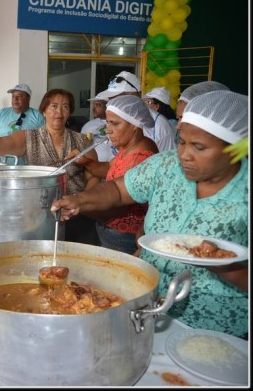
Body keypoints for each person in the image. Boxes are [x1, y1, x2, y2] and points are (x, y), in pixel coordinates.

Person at [51, 90, 248, 338]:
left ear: (237, 149)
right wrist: (80, 200)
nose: (184, 154)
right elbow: (118, 189)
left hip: (216, 326)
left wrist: (222, 263)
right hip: (149, 305)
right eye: (181, 141)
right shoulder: (166, 165)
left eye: (198, 147)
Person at [0, 88, 100, 245]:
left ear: (70, 112)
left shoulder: (82, 141)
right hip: (40, 215)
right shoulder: (29, 137)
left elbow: (94, 176)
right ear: (43, 110)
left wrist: (80, 200)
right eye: (54, 106)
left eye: (65, 106)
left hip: (78, 214)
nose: (59, 111)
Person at [90, 95, 158, 254]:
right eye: (108, 123)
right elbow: (110, 168)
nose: (108, 130)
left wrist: (80, 206)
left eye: (115, 124)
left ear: (135, 125)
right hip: (112, 231)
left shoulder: (140, 157)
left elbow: (117, 205)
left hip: (123, 237)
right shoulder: (128, 147)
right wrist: (86, 163)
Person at [0, 83, 45, 164]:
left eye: (19, 96)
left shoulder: (37, 116)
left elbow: (45, 143)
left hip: (28, 170)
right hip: (4, 168)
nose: (15, 99)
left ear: (28, 98)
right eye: (13, 96)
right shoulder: (1, 114)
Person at [80, 91, 115, 163]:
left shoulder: (117, 123)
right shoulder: (89, 126)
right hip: (93, 166)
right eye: (94, 105)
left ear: (108, 106)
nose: (94, 108)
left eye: (98, 105)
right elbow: (84, 146)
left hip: (115, 165)